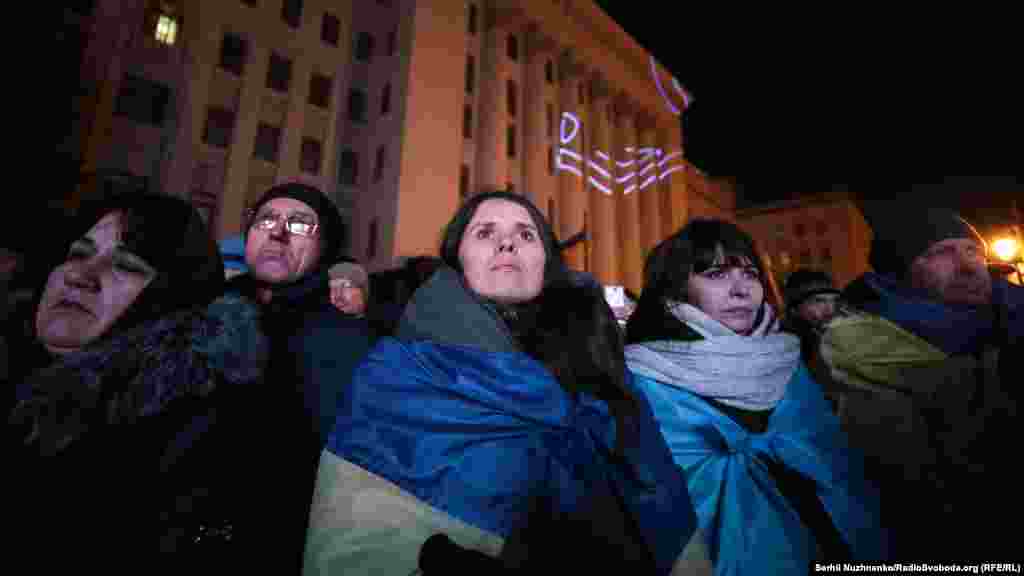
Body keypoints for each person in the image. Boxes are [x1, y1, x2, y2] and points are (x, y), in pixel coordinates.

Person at [304, 191, 709, 575]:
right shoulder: (398, 372)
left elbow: (654, 484)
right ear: (458, 258)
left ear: (546, 261)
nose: (507, 243)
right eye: (485, 233)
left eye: (526, 235)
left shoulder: (598, 361)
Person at [7, 191, 270, 570]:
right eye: (78, 254)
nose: (81, 275)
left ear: (168, 296)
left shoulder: (189, 431)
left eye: (127, 266)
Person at [624, 219, 887, 575]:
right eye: (716, 274)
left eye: (750, 274)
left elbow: (840, 467)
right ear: (676, 289)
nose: (741, 290)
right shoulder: (642, 378)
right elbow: (661, 501)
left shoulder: (787, 363)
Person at [818, 204, 1023, 560]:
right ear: (901, 272)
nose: (968, 265)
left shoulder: (1010, 320)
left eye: (973, 250)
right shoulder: (865, 366)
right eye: (941, 253)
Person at [226, 182, 372, 570]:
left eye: (301, 224)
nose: (277, 232)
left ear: (324, 247)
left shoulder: (342, 335)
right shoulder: (205, 311)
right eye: (265, 220)